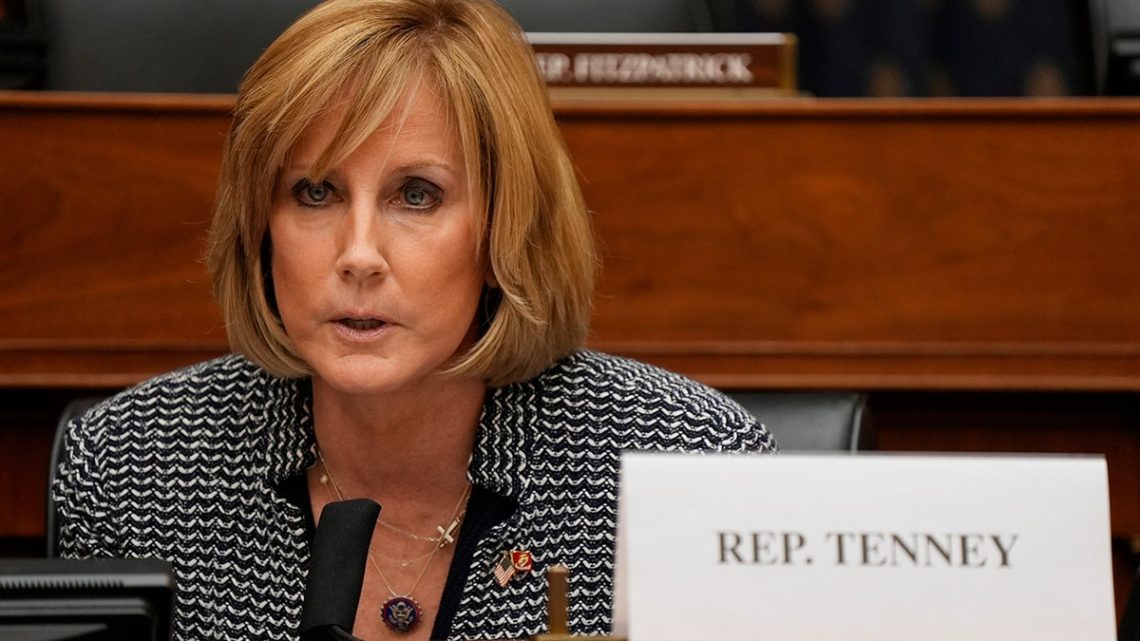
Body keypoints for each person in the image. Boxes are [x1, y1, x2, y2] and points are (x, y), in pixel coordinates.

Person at [53, 1, 778, 640]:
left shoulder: (689, 465)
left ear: (502, 232)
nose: (358, 255)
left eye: (417, 195)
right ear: (261, 229)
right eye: (315, 192)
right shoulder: (129, 469)